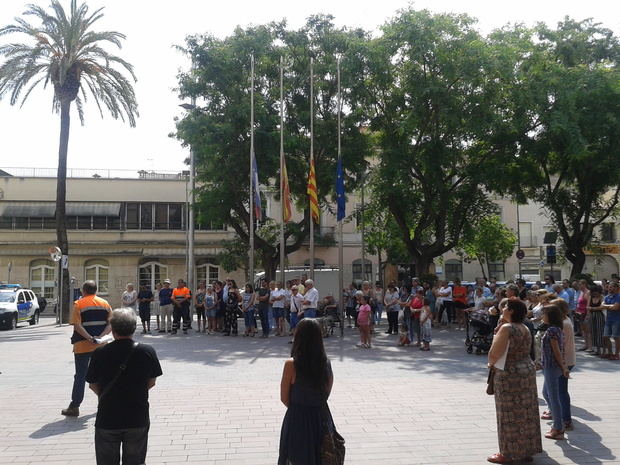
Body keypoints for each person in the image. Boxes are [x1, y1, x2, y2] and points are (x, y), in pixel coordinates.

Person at [86, 308, 162, 465]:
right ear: (134, 328)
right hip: (137, 415)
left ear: (112, 330)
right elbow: (152, 381)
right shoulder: (146, 351)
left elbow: (92, 384)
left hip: (107, 416)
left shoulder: (100, 353)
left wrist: (108, 394)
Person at [487, 299, 542, 463]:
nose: (502, 309)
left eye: (505, 307)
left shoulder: (507, 328)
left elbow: (494, 353)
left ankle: (507, 452)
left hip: (509, 373)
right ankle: (526, 450)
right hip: (526, 370)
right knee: (527, 412)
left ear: (510, 311)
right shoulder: (524, 326)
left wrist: (491, 363)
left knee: (508, 413)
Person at [278, 319, 336, 465]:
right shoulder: (326, 363)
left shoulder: (291, 364)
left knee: (296, 457)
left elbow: (284, 398)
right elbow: (327, 392)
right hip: (321, 417)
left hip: (298, 418)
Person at [62, 280, 112, 417]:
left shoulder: (79, 304)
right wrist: (99, 337)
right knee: (102, 375)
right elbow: (110, 324)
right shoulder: (105, 303)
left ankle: (74, 406)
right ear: (96, 290)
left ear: (84, 291)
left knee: (80, 376)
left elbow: (77, 325)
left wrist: (89, 338)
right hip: (101, 345)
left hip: (82, 346)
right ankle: (105, 403)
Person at [540, 304, 571, 440]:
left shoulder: (552, 330)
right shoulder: (557, 328)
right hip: (551, 366)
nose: (542, 316)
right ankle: (556, 419)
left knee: (553, 397)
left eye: (544, 314)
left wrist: (563, 367)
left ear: (550, 316)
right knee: (546, 393)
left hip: (552, 367)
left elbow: (557, 351)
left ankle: (558, 428)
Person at [548, 298, 576, 431]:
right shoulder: (566, 320)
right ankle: (562, 416)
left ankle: (565, 419)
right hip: (567, 359)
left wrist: (562, 364)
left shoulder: (562, 324)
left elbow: (559, 346)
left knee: (561, 391)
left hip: (564, 360)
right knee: (559, 390)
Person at [602, 281, 620, 360]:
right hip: (608, 320)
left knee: (616, 337)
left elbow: (616, 307)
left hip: (617, 320)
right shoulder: (607, 297)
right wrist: (610, 306)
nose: (609, 288)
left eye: (611, 286)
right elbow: (601, 305)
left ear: (616, 288)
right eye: (609, 286)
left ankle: (616, 354)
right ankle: (610, 353)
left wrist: (606, 306)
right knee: (605, 336)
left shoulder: (619, 296)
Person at [586, 285, 606, 356]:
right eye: (593, 292)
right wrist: (589, 314)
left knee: (601, 332)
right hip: (592, 316)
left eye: (596, 292)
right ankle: (598, 350)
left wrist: (592, 308)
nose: (595, 294)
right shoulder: (590, 297)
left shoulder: (602, 297)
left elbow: (602, 307)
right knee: (593, 332)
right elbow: (587, 307)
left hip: (600, 316)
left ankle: (604, 351)